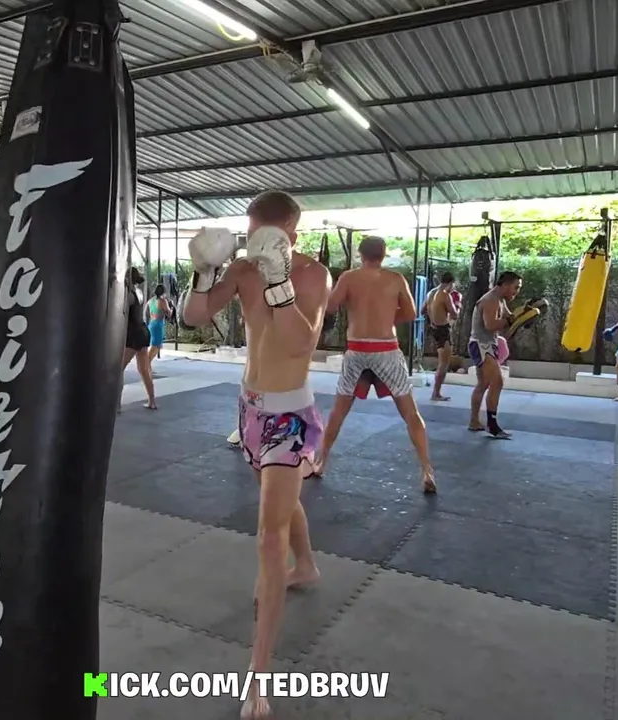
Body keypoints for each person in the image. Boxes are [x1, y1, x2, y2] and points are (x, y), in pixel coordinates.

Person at [182, 191, 329, 720]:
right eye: (252, 232)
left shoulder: (312, 274)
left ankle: (258, 678)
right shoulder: (242, 270)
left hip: (289, 417)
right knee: (280, 505)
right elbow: (195, 317)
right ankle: (306, 565)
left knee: (269, 538)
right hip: (250, 410)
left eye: (268, 233)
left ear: (292, 230)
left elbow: (299, 344)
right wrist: (202, 271)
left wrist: (280, 281)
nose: (258, 241)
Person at [314, 236, 436, 493]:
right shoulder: (396, 279)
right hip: (386, 350)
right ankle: (427, 470)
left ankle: (321, 462)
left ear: (360, 254)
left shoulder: (349, 277)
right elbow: (411, 313)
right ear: (383, 254)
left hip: (357, 349)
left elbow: (330, 307)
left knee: (338, 411)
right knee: (411, 413)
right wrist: (387, 319)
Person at [468, 271, 523, 438]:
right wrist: (511, 320)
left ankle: (474, 422)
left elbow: (509, 319)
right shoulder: (490, 300)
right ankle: (492, 425)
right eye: (515, 287)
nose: (517, 292)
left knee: (483, 384)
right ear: (505, 285)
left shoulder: (500, 299)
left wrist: (524, 316)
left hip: (486, 344)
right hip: (481, 345)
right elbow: (491, 325)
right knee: (497, 382)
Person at [122, 267, 158, 410]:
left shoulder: (129, 295)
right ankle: (152, 401)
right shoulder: (139, 292)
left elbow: (121, 310)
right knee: (143, 369)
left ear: (128, 279)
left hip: (134, 335)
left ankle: (116, 404)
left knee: (119, 369)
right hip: (143, 331)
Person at [424, 271, 461, 402]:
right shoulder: (445, 295)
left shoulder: (431, 293)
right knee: (444, 364)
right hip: (443, 330)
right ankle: (436, 393)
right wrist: (458, 305)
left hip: (433, 328)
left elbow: (423, 310)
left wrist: (435, 312)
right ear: (451, 283)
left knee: (442, 363)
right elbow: (455, 315)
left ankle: (436, 392)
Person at [145, 283, 173, 368]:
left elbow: (146, 313)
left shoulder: (150, 301)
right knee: (155, 346)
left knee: (157, 345)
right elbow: (169, 314)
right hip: (158, 325)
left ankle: (148, 365)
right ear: (163, 292)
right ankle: (146, 364)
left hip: (151, 324)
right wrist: (171, 307)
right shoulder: (163, 301)